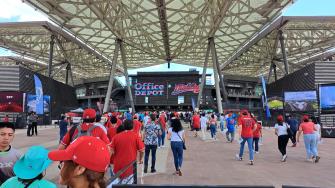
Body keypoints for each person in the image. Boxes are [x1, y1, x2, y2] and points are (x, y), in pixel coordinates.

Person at [111, 120, 144, 184]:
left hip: (117, 166)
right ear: (132, 127)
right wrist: (140, 159)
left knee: (117, 184)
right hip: (130, 167)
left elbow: (111, 151)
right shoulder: (135, 136)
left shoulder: (116, 137)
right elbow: (142, 150)